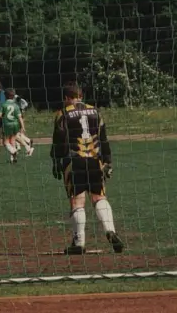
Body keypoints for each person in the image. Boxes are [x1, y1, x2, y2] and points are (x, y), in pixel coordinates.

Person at [49, 82, 124, 255]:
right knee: (99, 197)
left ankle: (79, 242)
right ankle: (110, 230)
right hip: (95, 161)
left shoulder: (63, 113)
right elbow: (104, 138)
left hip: (74, 161)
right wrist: (108, 161)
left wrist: (56, 162)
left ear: (67, 98)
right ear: (81, 96)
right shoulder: (96, 112)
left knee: (77, 201)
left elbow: (58, 141)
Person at [0, 89, 26, 165]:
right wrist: (23, 127)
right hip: (15, 124)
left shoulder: (4, 105)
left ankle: (13, 151)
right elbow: (20, 117)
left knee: (6, 142)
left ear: (5, 96)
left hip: (7, 124)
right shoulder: (16, 105)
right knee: (13, 140)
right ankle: (13, 159)